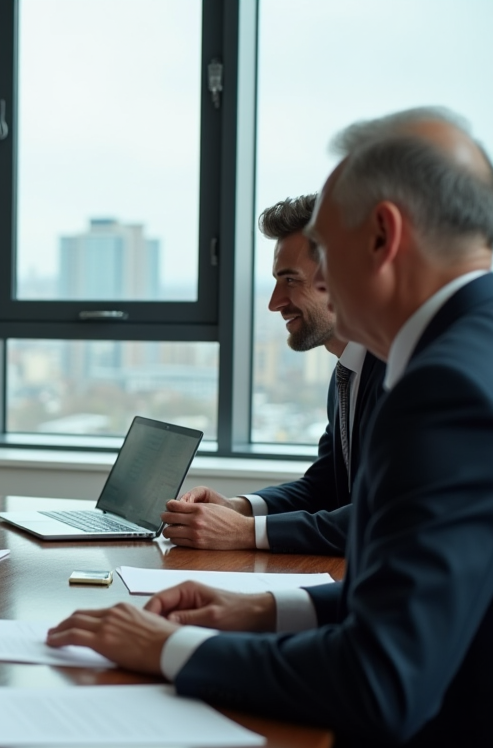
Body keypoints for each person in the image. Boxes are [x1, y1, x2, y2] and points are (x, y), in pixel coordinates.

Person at [47, 107, 493, 748]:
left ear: (382, 235)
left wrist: (165, 647)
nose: (315, 277)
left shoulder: (448, 388)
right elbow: (429, 594)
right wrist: (265, 609)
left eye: (324, 243)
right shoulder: (467, 350)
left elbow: (382, 682)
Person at [161, 196, 386, 556]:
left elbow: (385, 519)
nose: (275, 302)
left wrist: (246, 532)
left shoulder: (399, 376)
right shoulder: (348, 372)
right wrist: (239, 508)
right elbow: (325, 486)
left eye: (291, 280)